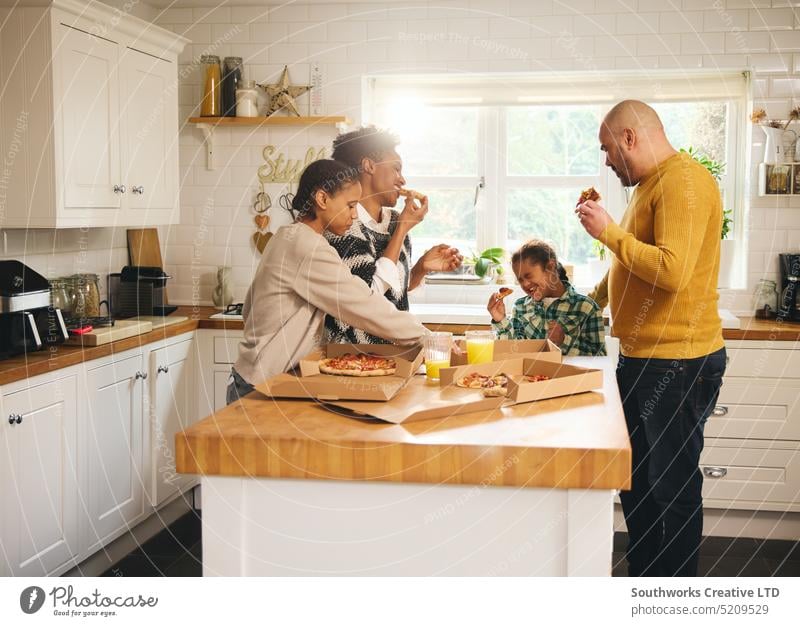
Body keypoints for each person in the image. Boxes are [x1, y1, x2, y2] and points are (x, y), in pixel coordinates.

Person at [576, 100, 726, 577]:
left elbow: (673, 271)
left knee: (671, 488)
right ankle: (642, 584)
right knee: (637, 484)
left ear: (629, 138)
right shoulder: (649, 187)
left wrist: (608, 233)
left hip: (677, 362)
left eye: (606, 148)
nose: (605, 160)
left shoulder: (684, 183)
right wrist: (588, 303)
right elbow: (631, 265)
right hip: (645, 358)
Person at [227, 159, 426, 404]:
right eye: (350, 205)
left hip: (256, 377)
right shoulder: (307, 247)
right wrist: (424, 336)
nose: (354, 216)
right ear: (322, 199)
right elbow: (362, 304)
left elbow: (248, 308)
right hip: (260, 386)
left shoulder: (286, 237)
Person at [324, 126, 462, 344]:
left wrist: (419, 269)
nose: (402, 180)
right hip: (353, 357)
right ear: (369, 166)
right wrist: (402, 230)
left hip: (394, 355)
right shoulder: (342, 228)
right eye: (396, 169)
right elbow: (366, 301)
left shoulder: (395, 221)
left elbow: (393, 293)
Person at [486, 239, 605, 356]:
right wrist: (500, 319)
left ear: (550, 267)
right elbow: (512, 352)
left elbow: (600, 358)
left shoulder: (586, 308)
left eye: (528, 275)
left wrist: (564, 340)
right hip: (531, 375)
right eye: (520, 280)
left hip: (570, 375)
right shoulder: (520, 307)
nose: (525, 284)